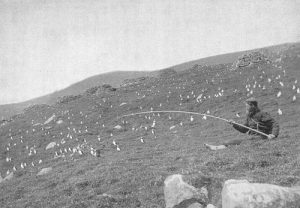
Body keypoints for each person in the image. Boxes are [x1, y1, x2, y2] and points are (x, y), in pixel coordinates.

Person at [205, 97, 279, 150]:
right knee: (233, 142)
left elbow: (274, 123)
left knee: (233, 142)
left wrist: (273, 135)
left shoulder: (262, 114)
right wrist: (234, 124)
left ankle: (216, 148)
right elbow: (244, 129)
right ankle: (216, 148)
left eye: (247, 107)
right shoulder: (249, 116)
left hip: (261, 137)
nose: (246, 109)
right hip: (252, 137)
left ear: (253, 106)